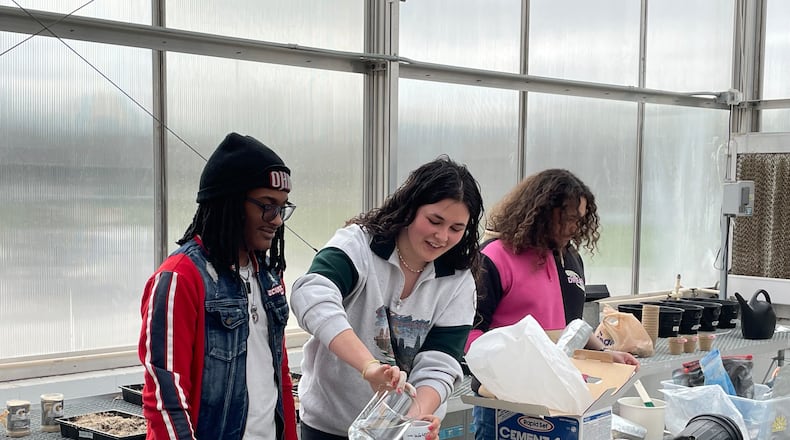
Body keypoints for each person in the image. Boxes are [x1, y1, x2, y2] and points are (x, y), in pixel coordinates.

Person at [289, 156, 484, 440]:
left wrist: (413, 418)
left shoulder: (457, 279)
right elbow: (311, 293)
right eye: (434, 221)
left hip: (400, 432)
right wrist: (368, 367)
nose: (442, 236)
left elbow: (441, 361)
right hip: (331, 427)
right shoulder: (360, 245)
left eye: (456, 228)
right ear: (410, 209)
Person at [138, 132, 298, 440]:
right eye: (267, 205)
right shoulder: (180, 278)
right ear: (230, 203)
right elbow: (165, 399)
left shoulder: (268, 274)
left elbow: (281, 377)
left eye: (282, 207)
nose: (277, 220)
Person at [464, 168, 640, 440]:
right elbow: (471, 333)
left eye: (580, 220)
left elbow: (570, 327)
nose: (575, 228)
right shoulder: (495, 257)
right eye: (569, 218)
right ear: (541, 211)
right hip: (506, 407)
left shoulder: (569, 258)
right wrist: (511, 378)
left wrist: (603, 357)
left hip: (559, 404)